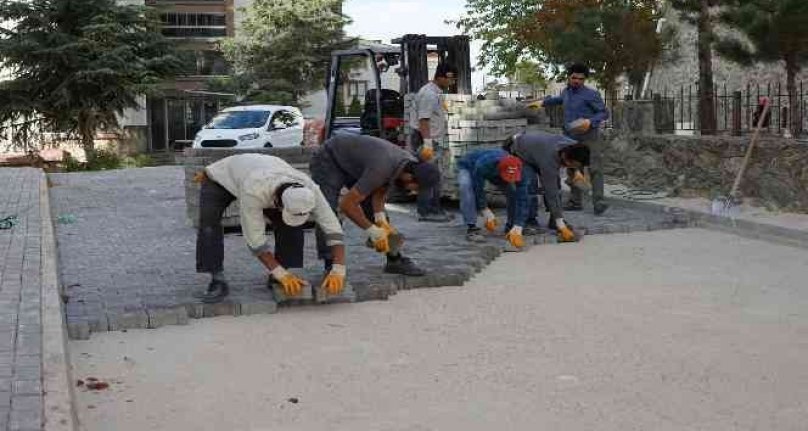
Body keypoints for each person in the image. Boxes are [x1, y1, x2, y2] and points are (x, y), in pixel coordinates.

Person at [194, 154, 346, 304]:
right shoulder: (254, 191)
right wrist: (279, 272)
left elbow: (332, 227)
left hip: (267, 169)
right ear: (279, 203)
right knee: (209, 224)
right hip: (221, 178)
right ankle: (217, 279)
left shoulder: (310, 189)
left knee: (290, 226)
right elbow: (255, 240)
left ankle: (283, 273)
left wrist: (338, 268)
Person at [310, 134, 442, 276]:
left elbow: (380, 190)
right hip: (329, 158)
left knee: (378, 216)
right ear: (410, 177)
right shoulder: (382, 168)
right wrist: (372, 231)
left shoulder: (407, 164)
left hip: (356, 162)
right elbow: (347, 205)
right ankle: (331, 265)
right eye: (415, 188)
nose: (413, 191)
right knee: (327, 211)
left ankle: (394, 260)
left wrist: (380, 220)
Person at [530, 63, 610, 215]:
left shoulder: (591, 94)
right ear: (569, 77)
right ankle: (575, 201)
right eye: (574, 78)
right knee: (573, 168)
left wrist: (590, 122)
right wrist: (542, 103)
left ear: (585, 79)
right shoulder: (567, 92)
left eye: (581, 79)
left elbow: (604, 113)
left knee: (595, 169)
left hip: (589, 137)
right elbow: (559, 100)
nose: (577, 81)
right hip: (570, 137)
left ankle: (599, 202)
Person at [504, 131, 591, 243]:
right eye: (571, 164)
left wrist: (577, 171)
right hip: (518, 150)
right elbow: (551, 192)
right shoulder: (549, 159)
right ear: (565, 156)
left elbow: (576, 160)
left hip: (536, 148)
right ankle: (528, 221)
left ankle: (554, 221)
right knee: (529, 184)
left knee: (557, 184)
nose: (570, 167)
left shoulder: (574, 146)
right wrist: (562, 225)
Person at [409, 63, 458, 222]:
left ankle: (436, 209)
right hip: (425, 138)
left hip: (433, 139)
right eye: (450, 79)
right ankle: (425, 212)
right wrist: (428, 143)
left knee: (435, 177)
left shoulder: (436, 93)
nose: (452, 82)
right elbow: (424, 120)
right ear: (440, 77)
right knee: (428, 176)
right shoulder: (429, 94)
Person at [456, 148, 531, 249]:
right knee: (466, 187)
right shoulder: (484, 164)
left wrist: (519, 224)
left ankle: (511, 227)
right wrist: (485, 210)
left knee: (513, 192)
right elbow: (478, 188)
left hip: (496, 171)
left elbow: (523, 198)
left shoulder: (522, 171)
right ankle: (472, 227)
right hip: (469, 166)